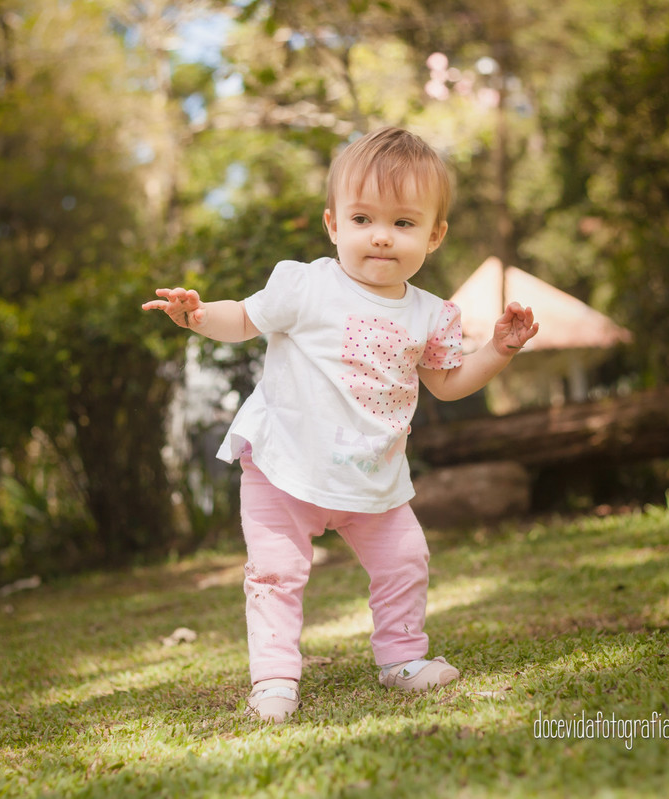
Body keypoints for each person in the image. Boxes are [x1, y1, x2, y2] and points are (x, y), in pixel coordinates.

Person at [142, 127, 538, 722]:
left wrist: (499, 350)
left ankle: (402, 658)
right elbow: (244, 319)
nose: (381, 235)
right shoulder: (305, 285)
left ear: (434, 235)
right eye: (362, 218)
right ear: (334, 226)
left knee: (406, 560)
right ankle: (274, 681)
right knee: (275, 574)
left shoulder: (431, 315)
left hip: (371, 479)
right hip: (284, 466)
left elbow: (449, 383)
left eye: (404, 224)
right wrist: (199, 316)